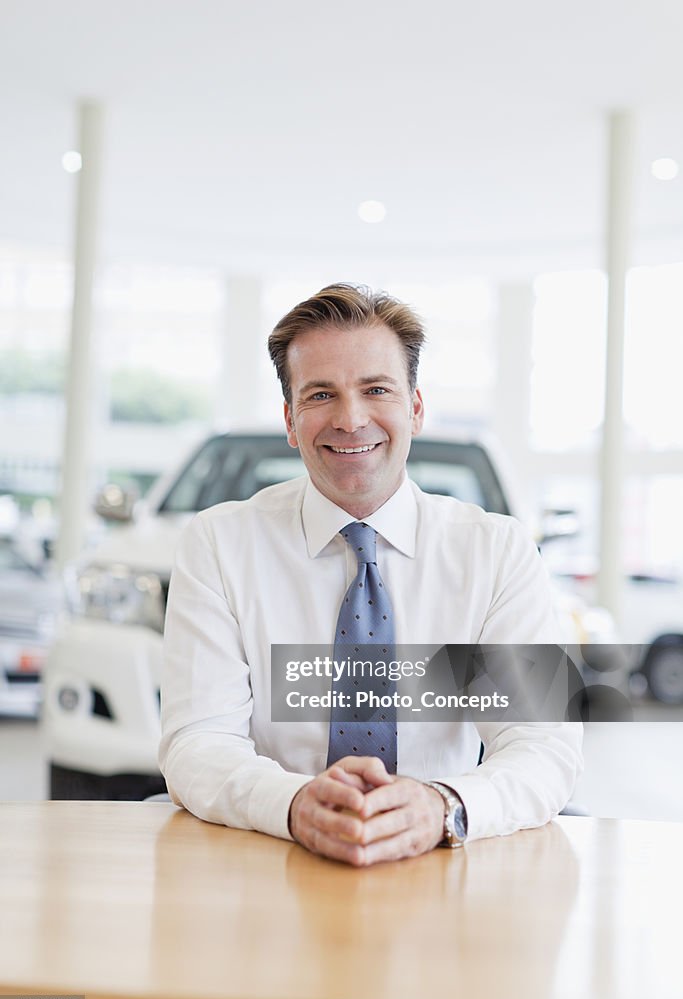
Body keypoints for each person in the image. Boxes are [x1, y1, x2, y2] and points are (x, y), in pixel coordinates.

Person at [159, 283, 582, 866]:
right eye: (320, 394)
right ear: (290, 419)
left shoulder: (499, 552)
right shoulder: (219, 544)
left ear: (415, 406)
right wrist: (294, 803)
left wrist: (444, 806)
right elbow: (196, 740)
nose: (350, 419)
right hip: (266, 858)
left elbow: (546, 746)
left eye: (376, 389)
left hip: (442, 863)